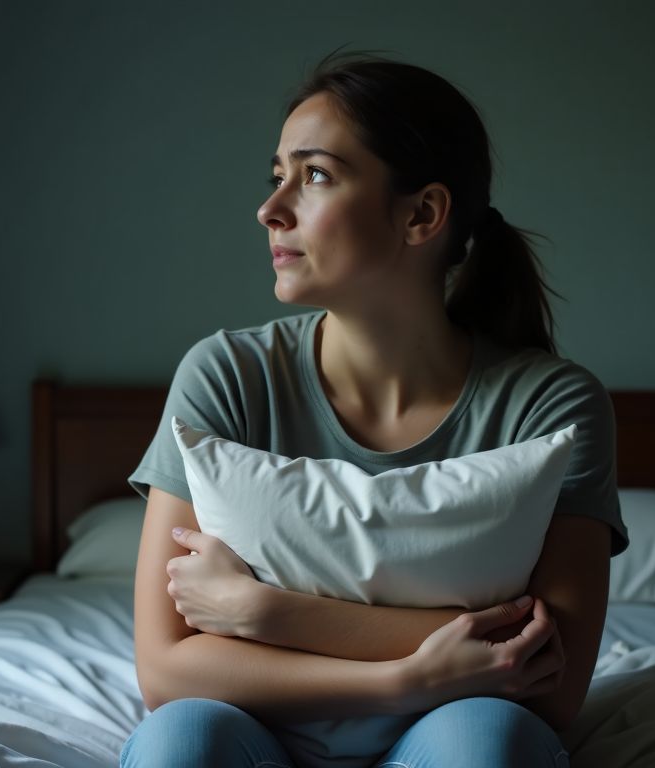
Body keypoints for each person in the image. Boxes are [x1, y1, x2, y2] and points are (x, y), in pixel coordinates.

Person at [121, 52, 628, 768]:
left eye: (316, 175)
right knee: (183, 740)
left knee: (490, 743)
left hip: (452, 733)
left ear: (421, 214)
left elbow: (549, 682)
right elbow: (166, 672)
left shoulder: (550, 404)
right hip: (254, 729)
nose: (271, 209)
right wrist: (404, 678)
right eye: (278, 176)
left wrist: (268, 613)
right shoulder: (228, 374)